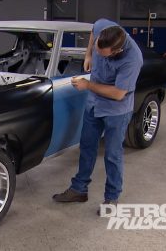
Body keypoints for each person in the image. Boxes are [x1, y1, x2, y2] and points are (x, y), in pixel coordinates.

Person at [52, 18, 143, 214]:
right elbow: (94, 30)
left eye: (103, 55)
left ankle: (111, 199)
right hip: (94, 106)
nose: (99, 56)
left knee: (112, 155)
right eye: (98, 51)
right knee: (87, 148)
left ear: (116, 52)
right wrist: (89, 55)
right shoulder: (104, 28)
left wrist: (88, 85)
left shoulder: (132, 59)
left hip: (116, 112)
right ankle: (79, 189)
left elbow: (119, 94)